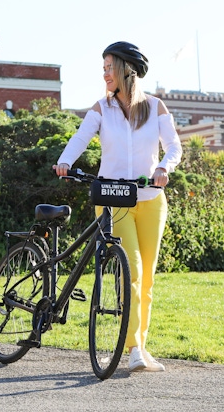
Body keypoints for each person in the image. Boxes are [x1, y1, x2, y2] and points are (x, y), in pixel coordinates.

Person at [54, 41, 182, 372]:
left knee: (147, 278)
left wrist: (163, 167)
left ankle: (141, 345)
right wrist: (65, 161)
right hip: (113, 201)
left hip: (151, 200)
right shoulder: (101, 108)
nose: (104, 73)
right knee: (133, 271)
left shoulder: (156, 107)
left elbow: (174, 146)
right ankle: (134, 348)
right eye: (104, 67)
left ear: (127, 70)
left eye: (109, 67)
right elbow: (80, 138)